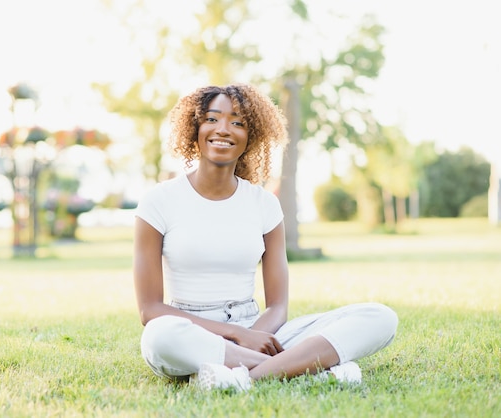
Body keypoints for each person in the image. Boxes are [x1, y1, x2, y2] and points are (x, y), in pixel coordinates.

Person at [133, 84, 398, 391]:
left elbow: (277, 306)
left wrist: (253, 335)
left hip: (257, 328)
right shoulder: (158, 201)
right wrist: (236, 337)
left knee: (379, 318)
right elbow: (150, 309)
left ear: (251, 136)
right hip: (191, 329)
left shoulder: (264, 204)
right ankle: (307, 370)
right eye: (211, 119)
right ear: (194, 128)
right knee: (159, 336)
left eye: (238, 122)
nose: (223, 129)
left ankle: (241, 376)